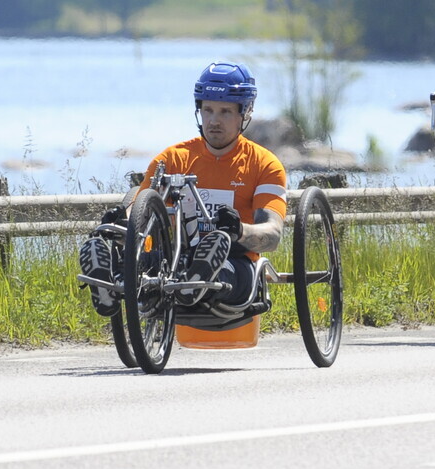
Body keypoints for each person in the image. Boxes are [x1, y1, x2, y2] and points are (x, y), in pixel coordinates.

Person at [78, 61, 288, 317]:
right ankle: (110, 280)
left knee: (222, 268)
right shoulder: (171, 159)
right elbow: (140, 216)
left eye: (225, 112)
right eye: (208, 110)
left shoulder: (264, 165)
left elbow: (272, 234)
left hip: (234, 261)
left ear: (245, 113)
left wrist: (240, 230)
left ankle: (197, 280)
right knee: (141, 262)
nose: (214, 121)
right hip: (172, 260)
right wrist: (122, 224)